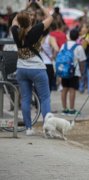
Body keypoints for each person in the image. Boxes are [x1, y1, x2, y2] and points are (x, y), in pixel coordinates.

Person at [11, 0, 53, 135]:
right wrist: (39, 4)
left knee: (26, 99)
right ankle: (48, 127)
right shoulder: (36, 30)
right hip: (37, 70)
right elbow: (50, 17)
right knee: (45, 98)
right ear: (29, 20)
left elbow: (14, 20)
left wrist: (26, 7)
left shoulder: (15, 31)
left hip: (21, 69)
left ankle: (28, 128)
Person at [60, 29, 86, 116]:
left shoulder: (64, 45)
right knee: (72, 89)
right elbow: (82, 61)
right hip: (74, 71)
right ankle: (72, 109)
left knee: (64, 89)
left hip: (64, 70)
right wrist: (82, 73)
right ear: (77, 37)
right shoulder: (79, 47)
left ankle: (64, 109)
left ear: (70, 36)